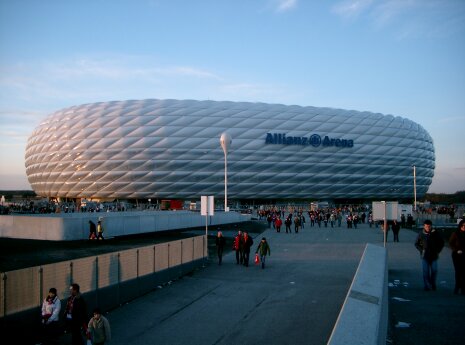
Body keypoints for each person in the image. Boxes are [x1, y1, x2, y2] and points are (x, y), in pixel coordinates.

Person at [415, 220, 444, 291]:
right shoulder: (421, 234)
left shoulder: (435, 233)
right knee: (426, 272)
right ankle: (427, 285)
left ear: (431, 226)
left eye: (429, 226)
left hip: (434, 255)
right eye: (426, 226)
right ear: (424, 226)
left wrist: (438, 250)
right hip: (425, 256)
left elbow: (441, 242)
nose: (428, 227)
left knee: (434, 270)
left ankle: (432, 283)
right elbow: (416, 243)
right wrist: (421, 250)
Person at [449, 219, 465, 295]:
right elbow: (451, 243)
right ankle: (457, 286)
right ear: (460, 226)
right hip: (457, 255)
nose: (464, 227)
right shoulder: (455, 233)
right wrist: (457, 250)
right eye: (463, 225)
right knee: (458, 271)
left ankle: (462, 288)